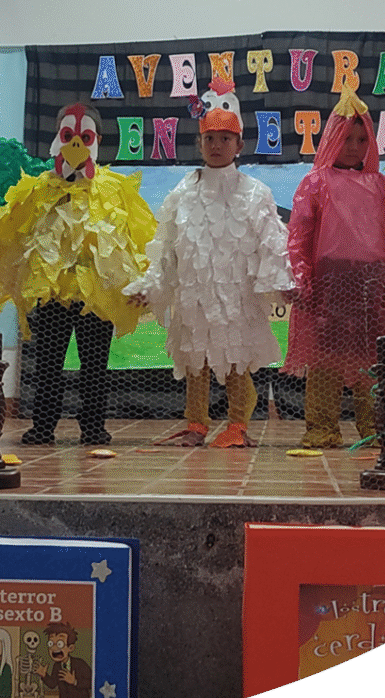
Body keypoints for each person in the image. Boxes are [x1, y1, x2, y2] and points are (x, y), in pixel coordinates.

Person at [124, 81, 293, 448]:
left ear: (239, 145)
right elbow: (166, 249)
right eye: (210, 138)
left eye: (225, 139)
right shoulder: (182, 194)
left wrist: (283, 281)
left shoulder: (256, 194)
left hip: (237, 297)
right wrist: (151, 287)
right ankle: (196, 424)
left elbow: (273, 242)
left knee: (236, 358)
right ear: (199, 143)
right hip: (194, 296)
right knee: (194, 357)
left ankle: (238, 424)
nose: (217, 145)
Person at [0, 101, 157, 445]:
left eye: (85, 137)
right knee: (48, 363)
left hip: (96, 297)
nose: (76, 144)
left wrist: (141, 282)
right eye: (68, 135)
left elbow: (136, 237)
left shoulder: (115, 189)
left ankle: (93, 427)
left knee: (95, 365)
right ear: (57, 138)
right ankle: (43, 426)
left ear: (97, 140)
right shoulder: (37, 189)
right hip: (51, 295)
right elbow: (12, 231)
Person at [282, 88, 385, 449]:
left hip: (372, 284)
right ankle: (321, 427)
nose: (355, 147)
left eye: (362, 140)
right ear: (333, 138)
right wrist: (301, 277)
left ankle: (375, 428)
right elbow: (299, 234)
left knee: (371, 359)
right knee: (325, 359)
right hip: (330, 282)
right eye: (347, 138)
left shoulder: (381, 186)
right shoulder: (316, 182)